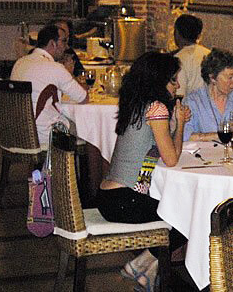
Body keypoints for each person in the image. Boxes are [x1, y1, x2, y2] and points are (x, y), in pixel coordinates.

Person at [96, 52, 191, 291]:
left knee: (181, 210)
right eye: (172, 80)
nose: (177, 85)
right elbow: (170, 158)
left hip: (110, 197)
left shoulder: (136, 104)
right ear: (158, 81)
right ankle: (142, 263)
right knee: (190, 215)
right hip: (124, 201)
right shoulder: (157, 108)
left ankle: (145, 271)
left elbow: (159, 149)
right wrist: (180, 125)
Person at [10, 24, 88, 147]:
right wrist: (68, 73)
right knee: (90, 130)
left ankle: (43, 165)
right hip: (46, 136)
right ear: (53, 44)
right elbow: (83, 97)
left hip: (18, 133)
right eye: (63, 41)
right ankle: (75, 166)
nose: (66, 46)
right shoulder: (55, 68)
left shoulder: (20, 63)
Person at [183, 48, 233, 141]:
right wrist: (221, 135)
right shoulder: (194, 101)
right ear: (213, 78)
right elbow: (184, 137)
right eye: (230, 77)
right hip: (205, 154)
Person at [173, 14, 210, 97]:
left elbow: (179, 94)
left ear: (177, 33)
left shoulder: (178, 59)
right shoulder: (210, 54)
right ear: (198, 35)